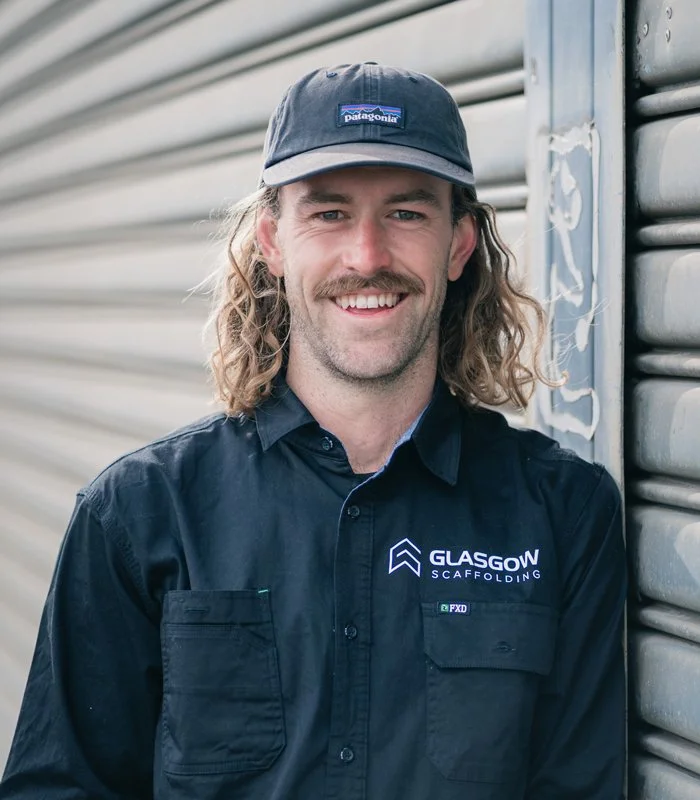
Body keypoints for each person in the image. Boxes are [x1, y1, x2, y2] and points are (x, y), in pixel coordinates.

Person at [0, 63, 625, 799]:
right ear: (273, 241)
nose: (367, 256)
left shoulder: (563, 513)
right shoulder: (138, 514)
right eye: (329, 213)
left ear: (458, 245)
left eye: (406, 213)